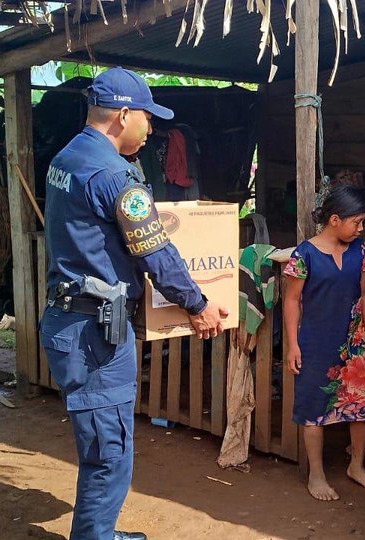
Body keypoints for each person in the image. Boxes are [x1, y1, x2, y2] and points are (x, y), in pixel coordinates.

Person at [39, 67, 229, 540]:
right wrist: (198, 303)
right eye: (148, 118)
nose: (152, 130)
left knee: (100, 445)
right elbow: (156, 253)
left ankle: (100, 532)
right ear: (123, 115)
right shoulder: (115, 176)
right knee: (110, 452)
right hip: (95, 335)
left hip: (70, 320)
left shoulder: (67, 158)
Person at [282, 184, 365, 501]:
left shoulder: (360, 253)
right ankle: (317, 474)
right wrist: (293, 345)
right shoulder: (305, 255)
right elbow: (291, 301)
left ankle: (356, 466)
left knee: (361, 408)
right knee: (314, 409)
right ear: (336, 219)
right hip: (315, 343)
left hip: (354, 345)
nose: (361, 228)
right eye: (357, 222)